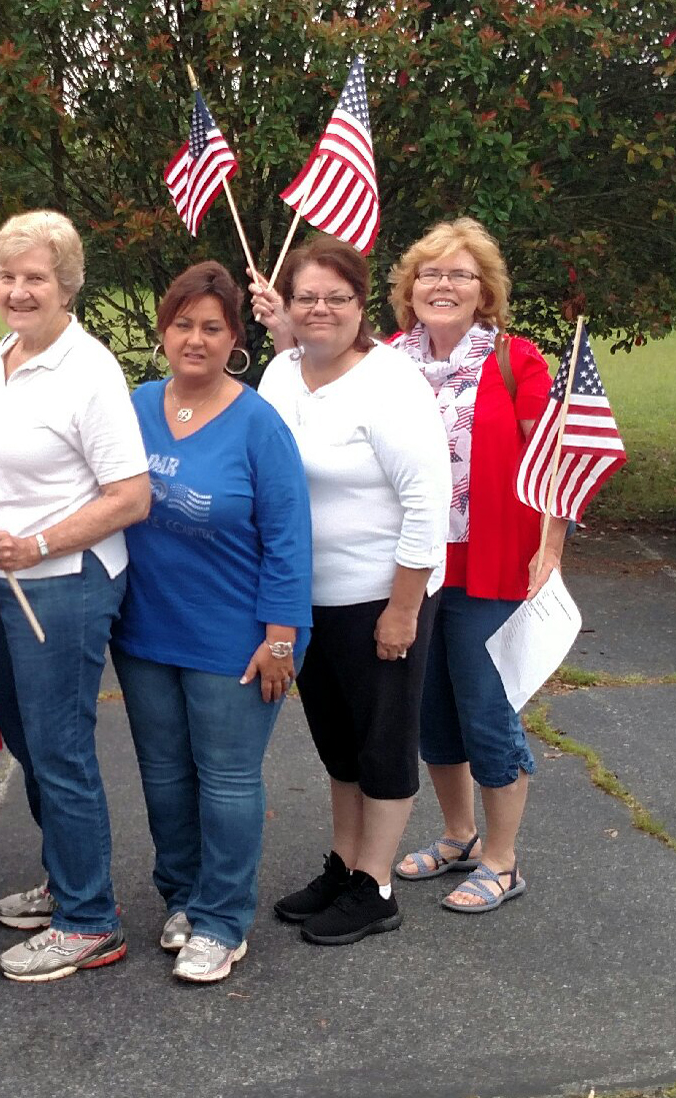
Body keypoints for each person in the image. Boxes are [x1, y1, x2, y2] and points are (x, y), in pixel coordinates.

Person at [112, 261, 312, 982]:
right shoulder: (132, 406)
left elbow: (289, 538)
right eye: (182, 324)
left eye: (212, 327)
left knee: (225, 780)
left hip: (237, 635)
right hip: (144, 631)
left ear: (235, 340)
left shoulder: (259, 423)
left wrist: (281, 636)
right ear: (163, 330)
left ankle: (223, 921)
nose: (193, 339)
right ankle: (183, 896)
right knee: (163, 776)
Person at [0, 210, 150, 982]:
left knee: (60, 750)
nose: (17, 289)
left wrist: (39, 543)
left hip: (63, 586)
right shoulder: (3, 354)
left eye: (34, 276)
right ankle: (66, 879)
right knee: (28, 743)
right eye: (6, 275)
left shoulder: (89, 370)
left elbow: (131, 495)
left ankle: (89, 920)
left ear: (66, 283)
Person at [255, 236, 450, 945]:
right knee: (337, 741)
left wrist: (402, 609)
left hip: (380, 596)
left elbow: (427, 503)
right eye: (306, 296)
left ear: (360, 305)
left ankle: (376, 884)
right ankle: (343, 863)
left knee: (382, 742)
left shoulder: (389, 382)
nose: (320, 309)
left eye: (336, 297)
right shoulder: (279, 374)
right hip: (307, 599)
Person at [385, 218, 563, 912]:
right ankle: (458, 835)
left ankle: (501, 858)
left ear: (483, 289)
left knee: (487, 711)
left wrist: (548, 549)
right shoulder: (385, 363)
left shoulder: (517, 361)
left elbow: (552, 467)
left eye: (459, 274)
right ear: (410, 287)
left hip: (491, 566)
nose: (443, 284)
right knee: (430, 712)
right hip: (411, 567)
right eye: (430, 272)